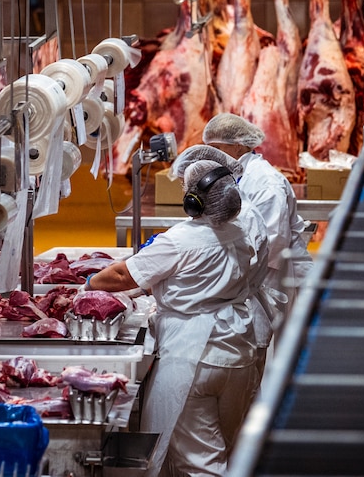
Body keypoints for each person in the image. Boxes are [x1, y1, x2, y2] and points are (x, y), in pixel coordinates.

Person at [87, 159, 269, 476]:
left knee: (200, 461)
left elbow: (119, 276)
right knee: (226, 447)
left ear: (193, 200)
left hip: (193, 353)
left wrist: (86, 285)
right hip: (239, 350)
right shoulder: (240, 233)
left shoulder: (179, 239)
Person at [202, 113, 315, 375]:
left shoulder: (266, 182)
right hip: (260, 274)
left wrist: (223, 267)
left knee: (280, 353)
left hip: (278, 275)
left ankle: (272, 411)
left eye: (216, 148)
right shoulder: (237, 174)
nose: (211, 155)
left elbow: (271, 241)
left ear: (239, 145)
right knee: (259, 347)